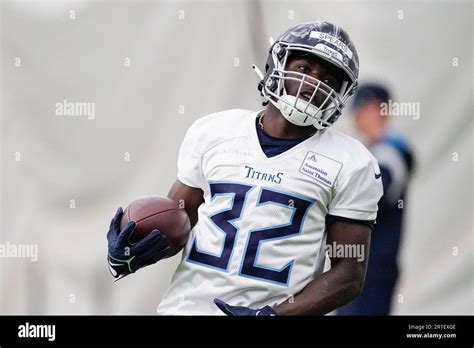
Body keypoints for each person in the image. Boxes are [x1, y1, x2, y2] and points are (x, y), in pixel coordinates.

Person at [106, 21, 383, 315]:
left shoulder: (351, 162)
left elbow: (349, 273)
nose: (313, 84)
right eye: (304, 69)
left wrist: (275, 315)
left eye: (328, 79)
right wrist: (133, 246)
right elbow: (178, 219)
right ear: (278, 64)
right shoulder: (215, 132)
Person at [337, 84, 415, 315]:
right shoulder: (376, 151)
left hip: (373, 266)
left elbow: (372, 197)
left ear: (376, 110)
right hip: (361, 263)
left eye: (361, 110)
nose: (356, 118)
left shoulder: (391, 153)